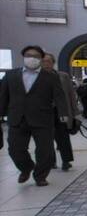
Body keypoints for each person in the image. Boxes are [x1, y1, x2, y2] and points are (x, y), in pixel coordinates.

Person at [0, 45, 69, 186]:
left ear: (41, 59)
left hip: (43, 119)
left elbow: (59, 96)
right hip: (17, 118)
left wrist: (63, 113)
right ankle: (26, 168)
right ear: (23, 57)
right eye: (29, 55)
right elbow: (3, 96)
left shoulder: (50, 76)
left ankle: (40, 176)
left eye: (36, 56)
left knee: (46, 151)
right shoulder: (11, 75)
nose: (32, 58)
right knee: (15, 149)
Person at [41, 53, 79, 171]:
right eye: (44, 61)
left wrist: (74, 112)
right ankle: (50, 161)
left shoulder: (63, 76)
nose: (46, 64)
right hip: (44, 112)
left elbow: (71, 94)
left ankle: (66, 161)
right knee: (46, 139)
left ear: (53, 63)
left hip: (61, 111)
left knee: (63, 137)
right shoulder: (37, 77)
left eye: (49, 61)